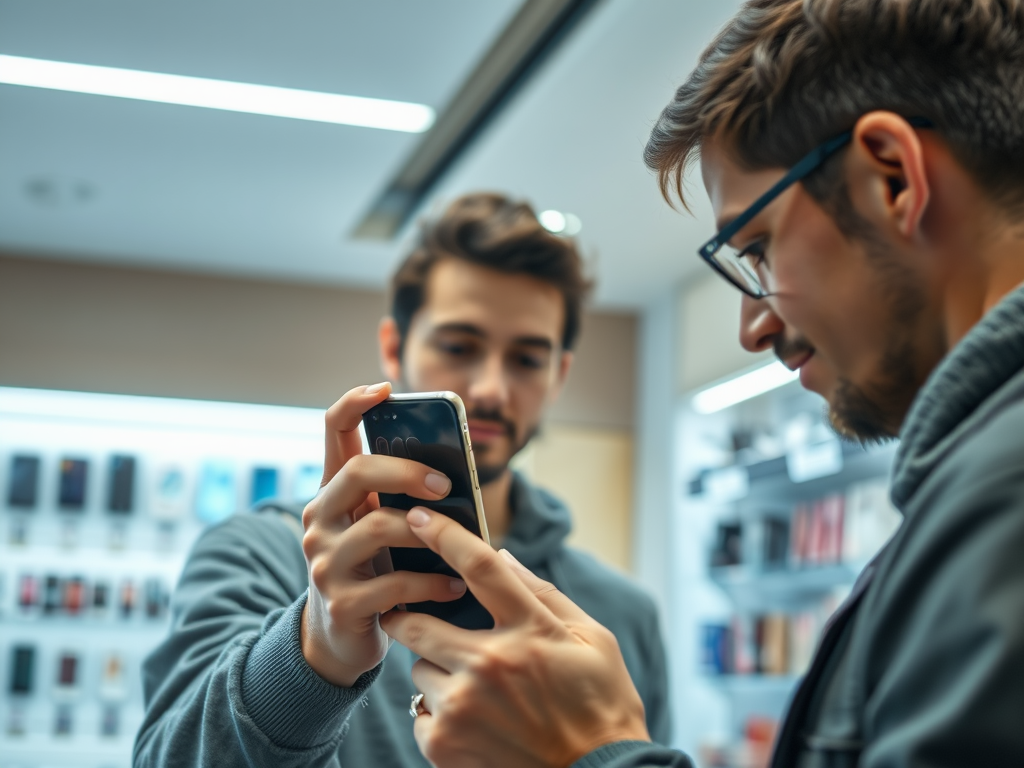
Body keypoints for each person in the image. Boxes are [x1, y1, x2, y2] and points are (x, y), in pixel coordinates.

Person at [381, 2, 1024, 767]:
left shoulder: (1003, 491)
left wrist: (592, 754)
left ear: (892, 177)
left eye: (756, 249)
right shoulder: (969, 491)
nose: (753, 328)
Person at [133, 192, 671, 767]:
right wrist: (313, 650)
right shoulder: (257, 553)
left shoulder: (620, 615)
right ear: (394, 346)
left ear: (559, 374)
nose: (491, 387)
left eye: (526, 359)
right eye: (460, 346)